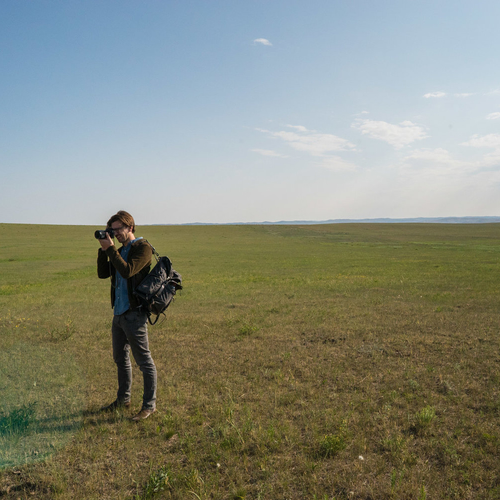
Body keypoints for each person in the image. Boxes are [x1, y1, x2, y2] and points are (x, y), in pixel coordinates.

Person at [97, 210, 157, 421]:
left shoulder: (143, 248)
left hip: (135, 314)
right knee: (120, 359)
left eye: (118, 229)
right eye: (112, 230)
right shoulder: (119, 250)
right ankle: (123, 399)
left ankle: (149, 406)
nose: (116, 234)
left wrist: (111, 250)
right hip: (119, 313)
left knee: (143, 361)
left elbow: (127, 271)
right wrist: (103, 249)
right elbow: (103, 273)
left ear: (130, 227)